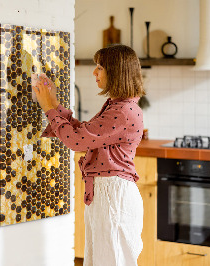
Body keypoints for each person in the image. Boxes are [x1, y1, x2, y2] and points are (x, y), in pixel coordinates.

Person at [33, 44, 145, 266]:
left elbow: (76, 141)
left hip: (113, 196)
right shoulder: (118, 106)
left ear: (116, 72)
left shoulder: (122, 111)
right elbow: (84, 133)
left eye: (100, 67)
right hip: (107, 194)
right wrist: (54, 104)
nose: (94, 72)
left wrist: (48, 107)